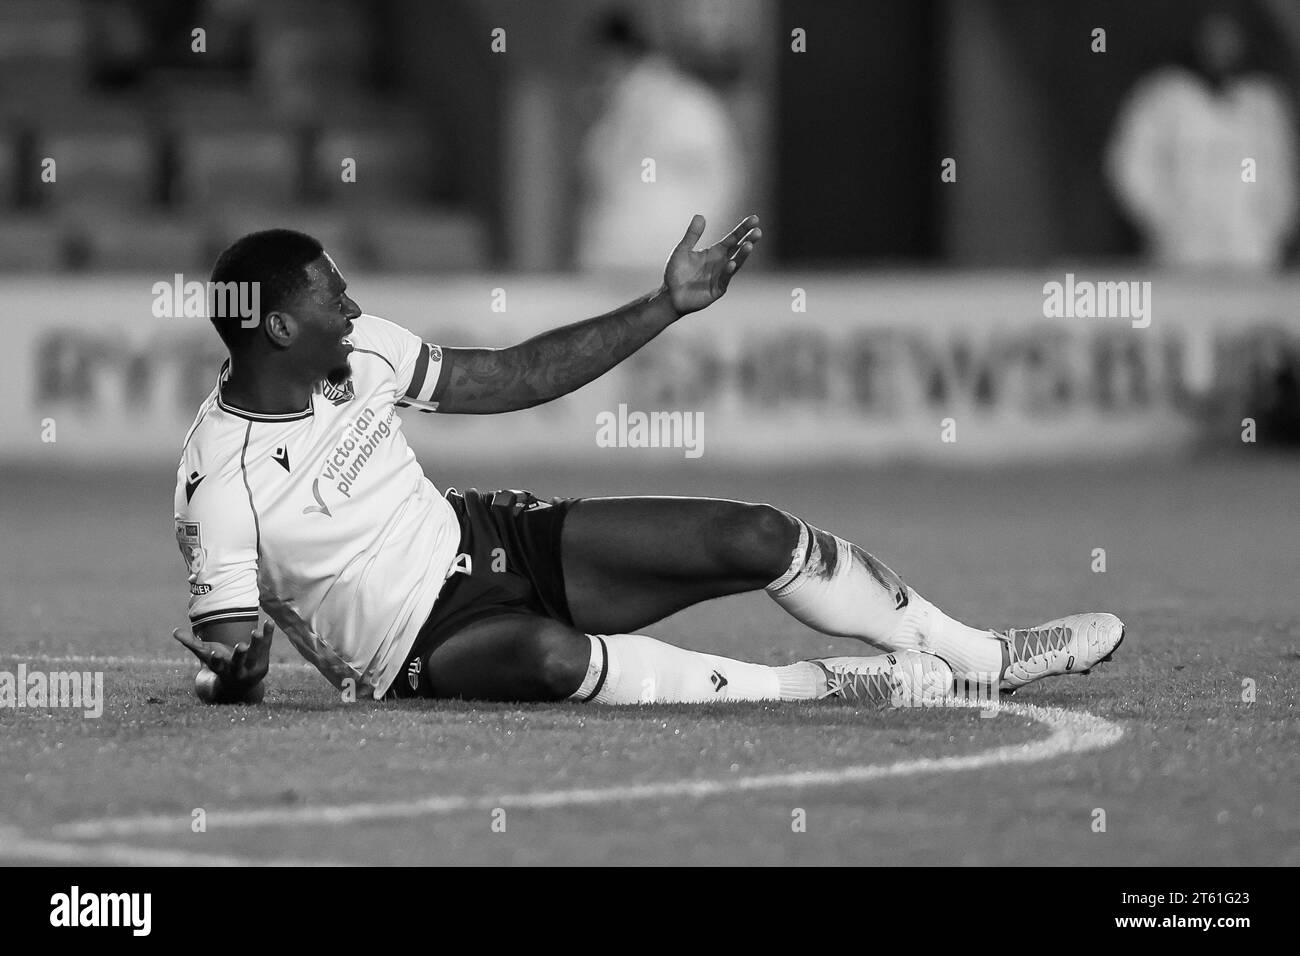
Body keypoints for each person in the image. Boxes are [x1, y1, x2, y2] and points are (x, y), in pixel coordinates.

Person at [172, 217, 1123, 707]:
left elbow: (515, 375)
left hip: (494, 542)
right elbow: (227, 662)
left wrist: (665, 304)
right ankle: (825, 687)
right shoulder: (220, 480)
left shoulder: (365, 351)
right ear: (281, 324)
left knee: (751, 533)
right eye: (332, 296)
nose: (352, 303)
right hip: (412, 651)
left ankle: (984, 658)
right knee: (550, 660)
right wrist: (238, 674)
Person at [1106, 9, 1298, 271]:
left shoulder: (1262, 100)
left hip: (1249, 246)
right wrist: (1164, 217)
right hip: (1184, 244)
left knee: (1252, 308)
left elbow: (1280, 169)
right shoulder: (1163, 95)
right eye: (1213, 36)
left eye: (1228, 36)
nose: (1221, 45)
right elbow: (1131, 164)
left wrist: (1271, 224)